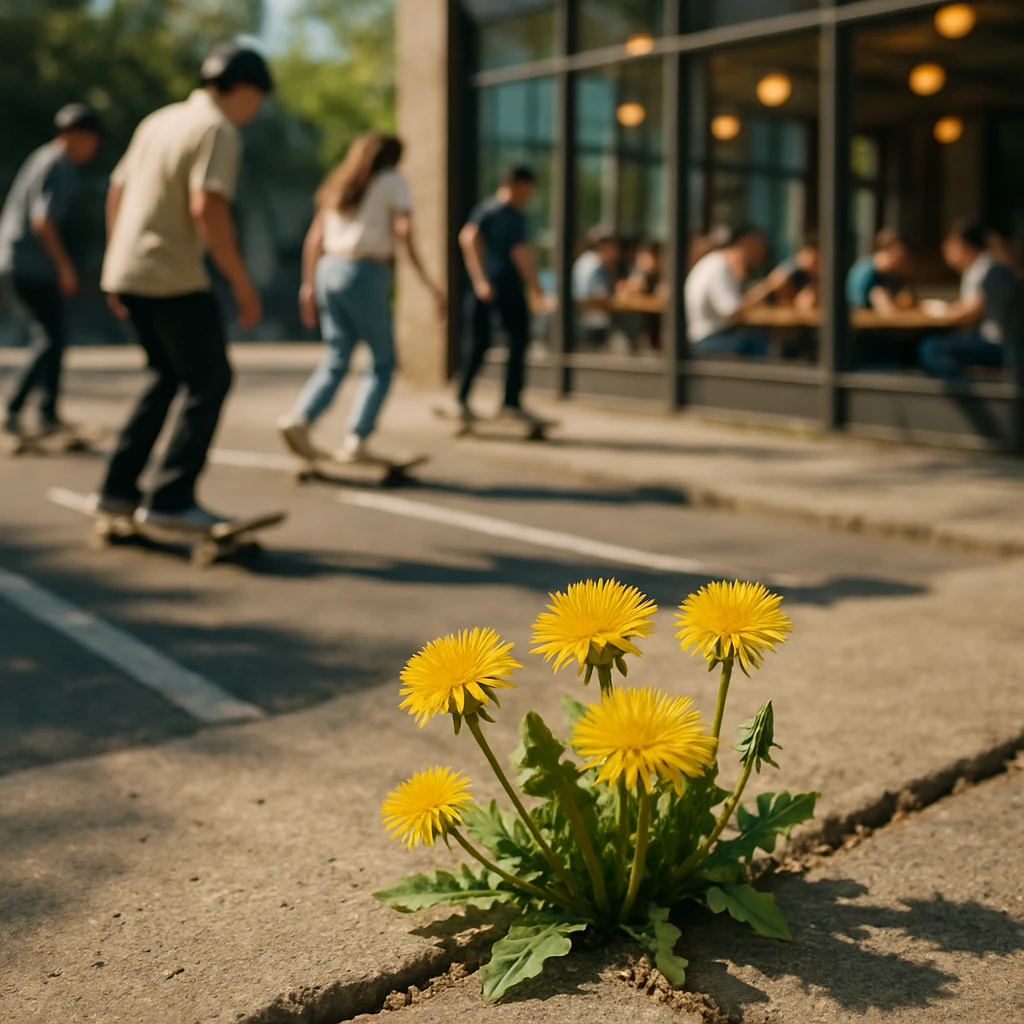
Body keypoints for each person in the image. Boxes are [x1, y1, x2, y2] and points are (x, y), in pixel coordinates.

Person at [94, 42, 272, 529]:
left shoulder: (158, 120)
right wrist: (241, 282)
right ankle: (171, 498)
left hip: (130, 268)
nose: (257, 110)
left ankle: (116, 490)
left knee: (166, 376)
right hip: (171, 273)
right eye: (259, 98)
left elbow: (118, 191)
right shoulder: (217, 129)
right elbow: (207, 208)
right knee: (210, 380)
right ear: (243, 89)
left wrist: (115, 260)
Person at [277, 133, 445, 462]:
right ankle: (357, 438)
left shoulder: (337, 183)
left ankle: (300, 419)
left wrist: (308, 285)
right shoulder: (393, 181)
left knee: (337, 355)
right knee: (383, 361)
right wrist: (429, 283)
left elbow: (314, 239)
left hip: (329, 269)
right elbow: (403, 231)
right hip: (364, 271)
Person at [1, 104, 104, 437]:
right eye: (92, 140)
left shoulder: (42, 157)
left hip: (14, 259)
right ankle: (19, 410)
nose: (94, 148)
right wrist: (64, 267)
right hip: (30, 263)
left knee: (50, 337)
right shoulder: (59, 165)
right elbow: (43, 222)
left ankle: (44, 412)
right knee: (50, 338)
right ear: (73, 135)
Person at [456, 165, 544, 422]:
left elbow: (469, 237)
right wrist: (536, 287)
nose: (529, 195)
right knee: (503, 342)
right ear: (517, 185)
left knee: (489, 343)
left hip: (494, 287)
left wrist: (480, 280)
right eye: (528, 189)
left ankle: (481, 400)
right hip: (502, 287)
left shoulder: (489, 210)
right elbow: (472, 239)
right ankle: (502, 402)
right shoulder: (505, 213)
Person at [919, 222, 1020, 382]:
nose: (947, 255)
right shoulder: (978, 268)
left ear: (964, 246)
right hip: (997, 342)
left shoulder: (988, 270)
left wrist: (943, 314)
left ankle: (966, 391)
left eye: (950, 248)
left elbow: (972, 310)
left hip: (1000, 345)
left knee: (932, 348)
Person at [683, 225, 775, 357]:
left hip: (706, 334)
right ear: (744, 244)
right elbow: (733, 313)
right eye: (756, 244)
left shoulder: (714, 262)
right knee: (760, 343)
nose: (761, 251)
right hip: (706, 338)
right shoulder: (719, 268)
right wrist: (769, 285)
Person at [571, 226, 620, 349]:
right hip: (591, 322)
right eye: (613, 247)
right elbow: (600, 295)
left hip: (579, 318)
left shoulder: (583, 260)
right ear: (604, 246)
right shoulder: (595, 263)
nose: (616, 252)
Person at [846, 228, 914, 313]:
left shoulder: (888, 274)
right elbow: (858, 307)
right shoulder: (864, 272)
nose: (901, 259)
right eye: (898, 253)